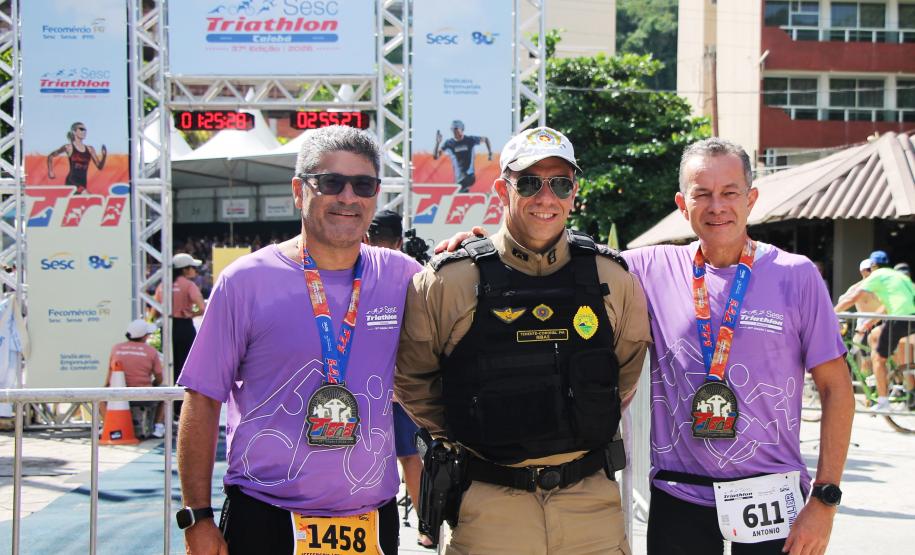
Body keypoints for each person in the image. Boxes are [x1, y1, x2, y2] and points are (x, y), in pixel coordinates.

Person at [396, 126, 651, 554]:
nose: (546, 198)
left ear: (574, 191)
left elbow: (623, 372)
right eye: (529, 182)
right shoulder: (447, 282)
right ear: (502, 189)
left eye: (560, 184)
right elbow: (413, 379)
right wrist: (469, 425)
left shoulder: (612, 279)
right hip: (489, 508)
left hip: (590, 507)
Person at [176, 126, 421, 554]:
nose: (348, 197)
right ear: (298, 190)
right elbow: (202, 398)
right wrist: (197, 516)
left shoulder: (402, 276)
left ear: (376, 194)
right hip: (265, 516)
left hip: (370, 520)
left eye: (362, 184)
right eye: (331, 183)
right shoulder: (245, 281)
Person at [622, 138, 854, 555]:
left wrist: (824, 501)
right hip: (681, 493)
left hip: (772, 496)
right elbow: (569, 261)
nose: (717, 206)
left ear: (751, 199)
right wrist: (476, 247)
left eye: (730, 193)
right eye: (702, 194)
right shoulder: (648, 267)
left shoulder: (796, 275)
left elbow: (837, 389)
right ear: (682, 202)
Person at [363, 209, 435, 550]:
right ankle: (425, 525)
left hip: (385, 390)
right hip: (395, 390)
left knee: (402, 459)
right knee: (409, 459)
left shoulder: (403, 272)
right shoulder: (412, 271)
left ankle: (423, 523)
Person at [835, 250, 915, 411]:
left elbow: (852, 298)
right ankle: (907, 390)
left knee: (878, 358)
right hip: (910, 318)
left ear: (873, 266)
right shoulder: (898, 277)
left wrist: (831, 313)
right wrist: (869, 323)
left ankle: (883, 401)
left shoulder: (877, 276)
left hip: (902, 318)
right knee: (876, 335)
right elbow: (885, 308)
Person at [151, 253, 206, 392]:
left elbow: (154, 312)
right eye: (193, 267)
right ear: (185, 269)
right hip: (184, 326)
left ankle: (168, 397)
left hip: (167, 327)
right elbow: (203, 308)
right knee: (187, 365)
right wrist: (191, 314)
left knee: (170, 364)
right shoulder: (189, 285)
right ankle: (181, 400)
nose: (195, 270)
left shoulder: (163, 285)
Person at [106, 319, 165, 438]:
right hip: (144, 396)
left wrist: (106, 388)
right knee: (166, 394)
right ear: (144, 336)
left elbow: (109, 375)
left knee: (100, 398)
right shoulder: (151, 351)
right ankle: (158, 426)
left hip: (119, 396)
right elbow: (159, 377)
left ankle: (107, 424)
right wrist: (154, 385)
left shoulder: (116, 348)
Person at [46, 121, 107, 194]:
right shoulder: (69, 147)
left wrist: (104, 156)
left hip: (83, 182)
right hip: (72, 181)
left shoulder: (90, 149)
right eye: (81, 129)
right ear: (74, 132)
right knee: (89, 197)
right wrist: (50, 171)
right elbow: (51, 156)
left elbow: (100, 167)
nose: (84, 131)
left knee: (81, 203)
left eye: (85, 130)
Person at [433, 120, 492, 193]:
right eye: (453, 130)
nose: (454, 132)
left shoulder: (470, 140)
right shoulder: (449, 143)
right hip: (459, 178)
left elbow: (486, 139)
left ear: (462, 129)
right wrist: (437, 143)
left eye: (456, 129)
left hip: (469, 175)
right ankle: (470, 196)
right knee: (460, 192)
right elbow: (436, 156)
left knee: (461, 186)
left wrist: (490, 153)